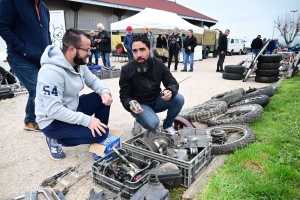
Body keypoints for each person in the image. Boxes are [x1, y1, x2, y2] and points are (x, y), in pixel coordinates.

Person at [35, 28, 113, 160]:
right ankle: (55, 139)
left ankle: (96, 132)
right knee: (103, 133)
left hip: (72, 108)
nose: (89, 53)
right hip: (53, 121)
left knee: (102, 99)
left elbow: (93, 80)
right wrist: (87, 120)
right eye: (86, 50)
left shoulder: (78, 62)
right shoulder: (51, 72)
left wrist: (104, 92)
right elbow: (53, 110)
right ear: (72, 49)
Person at [0, 0, 52, 131]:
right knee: (37, 88)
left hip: (41, 58)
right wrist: (22, 48)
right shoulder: (11, 2)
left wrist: (50, 51)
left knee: (42, 88)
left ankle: (31, 119)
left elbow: (47, 32)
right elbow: (2, 26)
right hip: (19, 57)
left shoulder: (43, 8)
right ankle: (32, 120)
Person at [119, 34, 184, 136]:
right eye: (135, 51)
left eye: (142, 49)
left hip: (156, 100)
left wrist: (170, 90)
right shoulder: (126, 69)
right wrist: (129, 104)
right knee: (153, 123)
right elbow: (124, 95)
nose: (138, 54)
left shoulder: (159, 64)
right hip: (140, 105)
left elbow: (172, 83)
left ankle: (167, 126)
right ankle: (139, 120)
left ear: (149, 49)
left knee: (179, 99)